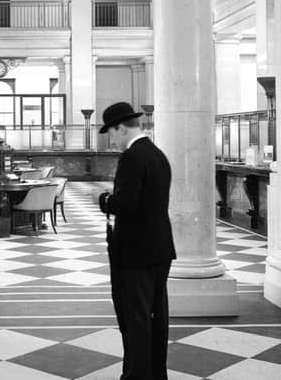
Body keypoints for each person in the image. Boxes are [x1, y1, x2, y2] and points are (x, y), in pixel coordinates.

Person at [97, 102, 176, 380]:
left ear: (121, 128)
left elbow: (126, 205)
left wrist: (105, 200)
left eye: (112, 134)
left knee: (135, 320)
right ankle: (156, 374)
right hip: (160, 249)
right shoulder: (157, 155)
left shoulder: (132, 158)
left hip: (135, 253)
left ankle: (136, 376)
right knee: (157, 317)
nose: (113, 140)